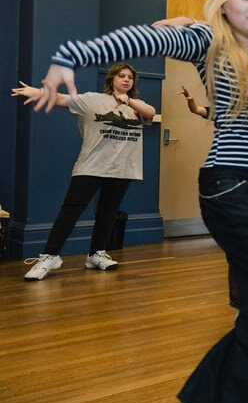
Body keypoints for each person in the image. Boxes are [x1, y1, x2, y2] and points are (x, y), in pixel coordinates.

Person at [25, 0, 248, 403]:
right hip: (232, 185)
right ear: (223, 3)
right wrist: (69, 53)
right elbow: (141, 40)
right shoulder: (205, 42)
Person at [16, 64, 155, 280]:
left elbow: (151, 113)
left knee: (107, 212)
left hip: (122, 169)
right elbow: (61, 99)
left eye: (130, 77)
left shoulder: (137, 106)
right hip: (92, 165)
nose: (126, 80)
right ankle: (50, 256)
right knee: (70, 211)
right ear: (112, 79)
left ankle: (96, 254)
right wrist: (37, 92)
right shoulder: (91, 100)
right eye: (121, 76)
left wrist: (129, 101)